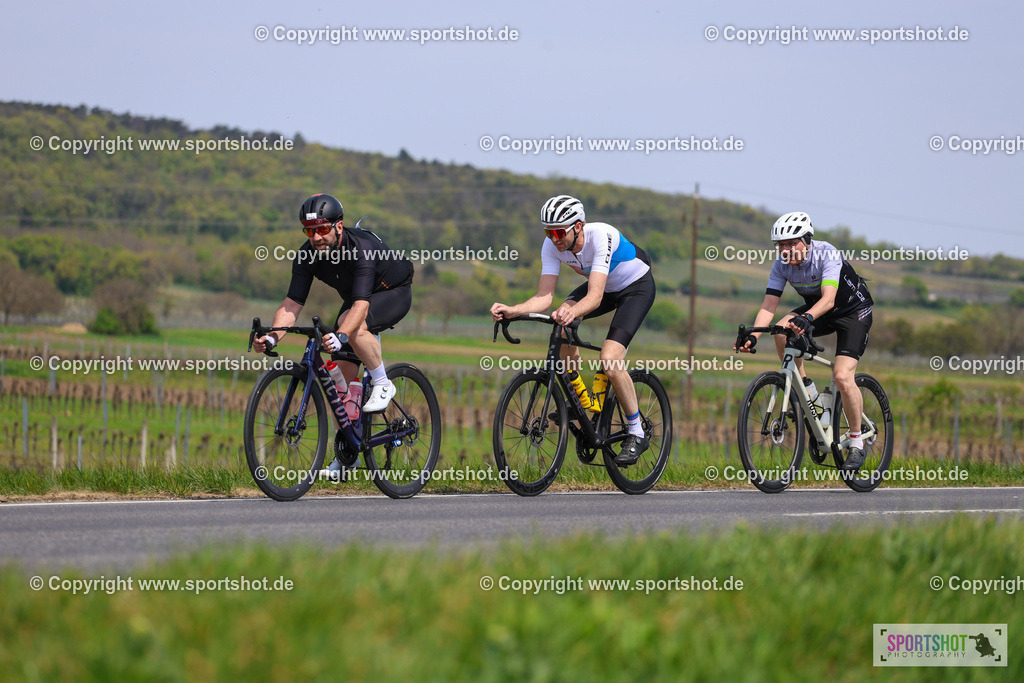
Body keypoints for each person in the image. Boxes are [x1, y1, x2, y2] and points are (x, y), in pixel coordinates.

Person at [252, 193, 414, 474]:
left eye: (323, 229)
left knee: (348, 324)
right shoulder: (306, 255)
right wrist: (272, 337)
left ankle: (383, 382)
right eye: (310, 231)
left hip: (393, 290)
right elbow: (291, 304)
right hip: (359, 298)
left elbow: (361, 306)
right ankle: (346, 456)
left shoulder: (360, 248)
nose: (316, 237)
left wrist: (340, 335)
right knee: (338, 379)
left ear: (339, 226)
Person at [490, 195, 656, 465]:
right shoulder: (551, 245)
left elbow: (595, 297)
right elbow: (544, 297)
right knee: (562, 327)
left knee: (610, 359)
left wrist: (572, 311)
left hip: (635, 288)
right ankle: (580, 401)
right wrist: (514, 309)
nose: (554, 238)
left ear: (578, 226)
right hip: (601, 288)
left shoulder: (600, 236)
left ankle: (636, 431)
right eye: (548, 232)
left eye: (558, 232)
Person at [735, 211, 874, 469]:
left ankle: (856, 442)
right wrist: (753, 336)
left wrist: (807, 317)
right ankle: (807, 391)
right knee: (780, 329)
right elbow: (768, 306)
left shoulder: (827, 254)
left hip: (852, 312)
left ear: (806, 241)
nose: (785, 250)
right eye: (781, 245)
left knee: (843, 377)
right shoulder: (780, 265)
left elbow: (829, 299)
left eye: (790, 244)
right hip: (818, 310)